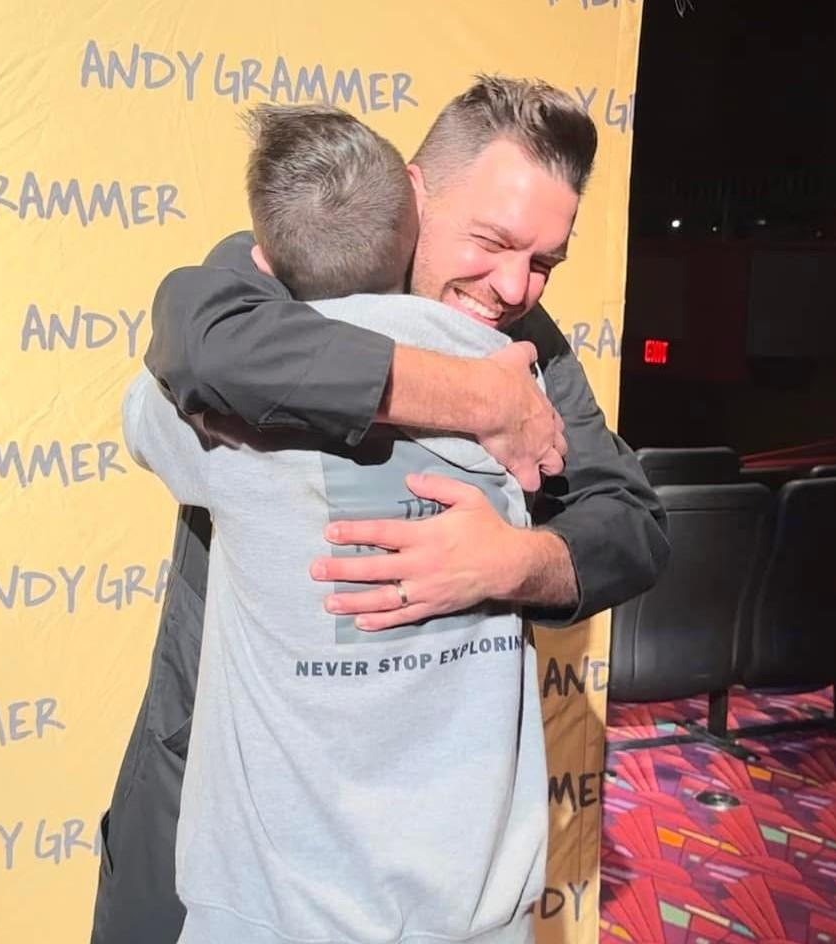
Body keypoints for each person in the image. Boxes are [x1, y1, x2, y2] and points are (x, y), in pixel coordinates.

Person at [91, 76, 670, 944]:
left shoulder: (531, 349)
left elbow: (631, 523)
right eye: (494, 241)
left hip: (439, 863)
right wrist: (472, 396)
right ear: (414, 189)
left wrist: (510, 563)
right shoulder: (287, 271)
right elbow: (201, 345)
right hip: (231, 825)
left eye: (545, 261)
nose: (515, 286)